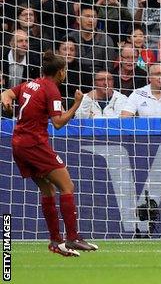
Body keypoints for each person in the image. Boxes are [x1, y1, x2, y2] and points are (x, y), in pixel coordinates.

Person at [0, 51, 98, 257]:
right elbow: (58, 123)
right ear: (61, 72)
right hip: (35, 144)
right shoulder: (51, 90)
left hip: (19, 144)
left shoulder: (29, 84)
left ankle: (56, 242)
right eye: (65, 71)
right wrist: (77, 104)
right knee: (67, 186)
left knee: (48, 191)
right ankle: (73, 238)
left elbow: (6, 94)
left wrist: (7, 104)